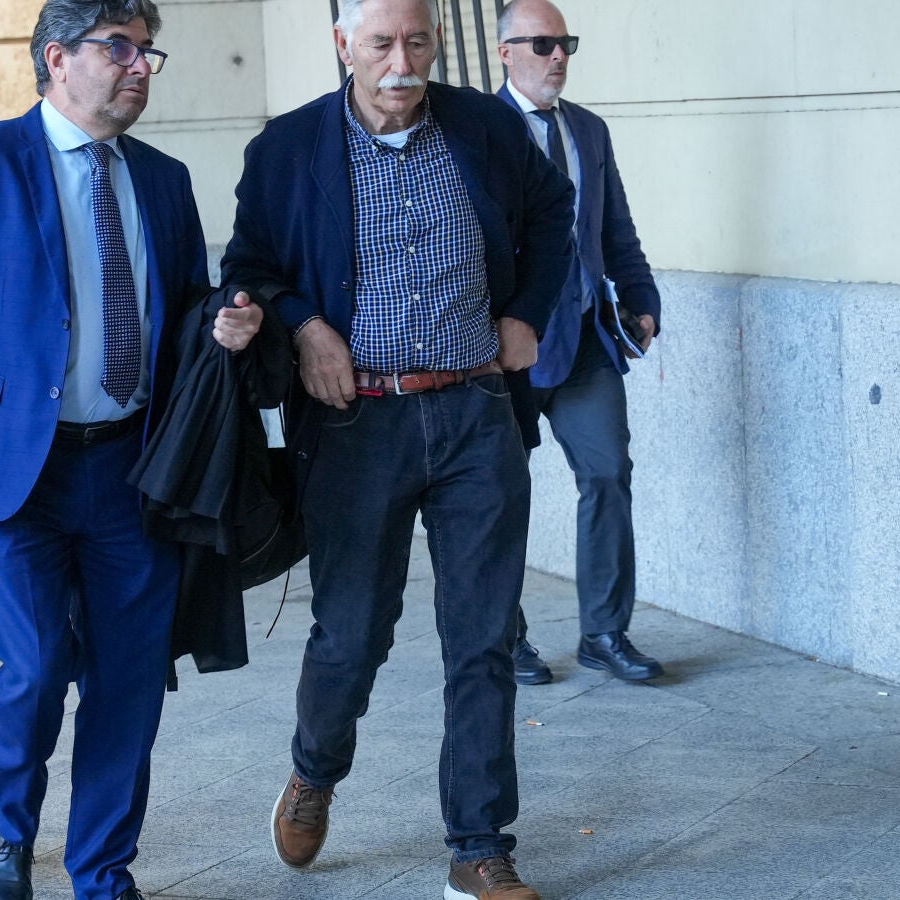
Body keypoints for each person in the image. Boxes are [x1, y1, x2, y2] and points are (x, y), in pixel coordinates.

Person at [0, 2, 262, 899]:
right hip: (21, 469)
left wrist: (225, 320)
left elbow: (183, 310)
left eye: (147, 51)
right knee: (36, 667)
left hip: (134, 470)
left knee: (130, 679)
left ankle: (102, 869)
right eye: (118, 48)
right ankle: (10, 833)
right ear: (57, 58)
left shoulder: (162, 179)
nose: (139, 66)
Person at [221, 0, 574, 896]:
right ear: (344, 44)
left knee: (483, 636)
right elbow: (249, 265)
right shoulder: (288, 148)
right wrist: (305, 325)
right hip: (355, 424)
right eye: (380, 43)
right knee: (353, 634)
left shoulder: (485, 127)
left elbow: (553, 213)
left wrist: (527, 312)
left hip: (475, 412)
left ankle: (479, 846)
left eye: (417, 40)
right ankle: (313, 771)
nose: (401, 62)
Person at [496, 0, 664, 685]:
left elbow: (614, 226)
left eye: (565, 42)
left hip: (587, 340)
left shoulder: (588, 129)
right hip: (505, 350)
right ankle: (502, 639)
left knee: (607, 475)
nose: (557, 55)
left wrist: (643, 299)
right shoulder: (478, 130)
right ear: (505, 52)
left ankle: (604, 632)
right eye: (541, 44)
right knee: (497, 494)